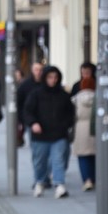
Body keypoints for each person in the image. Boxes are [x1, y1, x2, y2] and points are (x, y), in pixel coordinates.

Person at [23, 65, 75, 199]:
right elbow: (27, 111)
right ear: (45, 78)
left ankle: (59, 184)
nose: (53, 80)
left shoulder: (63, 95)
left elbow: (71, 113)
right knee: (39, 161)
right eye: (50, 77)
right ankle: (40, 182)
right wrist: (33, 123)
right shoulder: (36, 94)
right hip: (40, 135)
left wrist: (65, 125)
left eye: (55, 77)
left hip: (59, 134)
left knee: (58, 160)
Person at [72, 76, 96, 191]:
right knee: (95, 155)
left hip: (80, 128)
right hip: (95, 128)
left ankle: (87, 180)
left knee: (83, 156)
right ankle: (95, 178)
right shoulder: (98, 97)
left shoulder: (76, 99)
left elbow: (73, 115)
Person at [17, 62, 44, 149]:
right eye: (36, 70)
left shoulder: (46, 83)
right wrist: (21, 119)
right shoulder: (25, 85)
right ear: (32, 70)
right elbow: (19, 102)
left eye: (40, 70)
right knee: (35, 144)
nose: (38, 72)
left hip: (46, 118)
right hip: (30, 119)